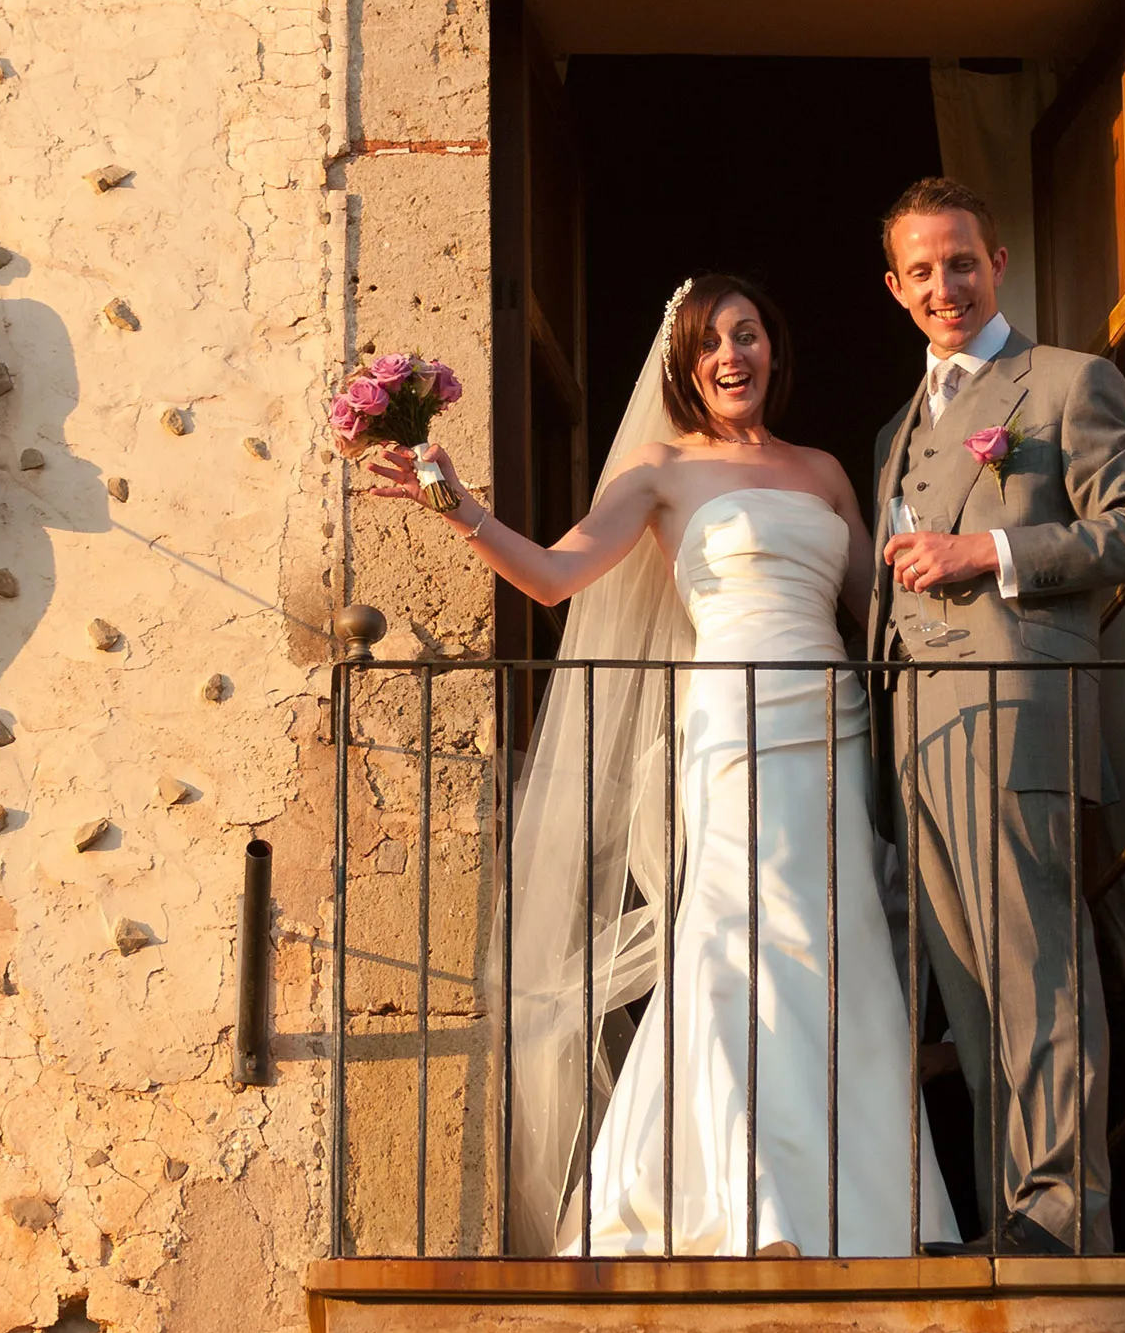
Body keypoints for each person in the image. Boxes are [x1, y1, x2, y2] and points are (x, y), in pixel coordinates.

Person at [368, 274, 957, 1258]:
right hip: (731, 723)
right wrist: (456, 506)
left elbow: (880, 610)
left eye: (750, 334)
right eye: (713, 341)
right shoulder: (659, 471)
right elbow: (556, 575)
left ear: (774, 349)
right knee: (738, 940)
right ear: (684, 363)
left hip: (833, 719)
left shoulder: (822, 472)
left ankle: (867, 1209)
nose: (734, 356)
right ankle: (751, 1201)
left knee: (837, 941)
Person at [867, 177, 1125, 1256]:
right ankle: (1010, 1216)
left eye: (962, 262)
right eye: (922, 270)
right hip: (918, 733)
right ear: (896, 288)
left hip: (1019, 711)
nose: (944, 285)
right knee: (970, 984)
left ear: (997, 263)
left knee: (1036, 969)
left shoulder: (1066, 382)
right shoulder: (893, 431)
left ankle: (1063, 1219)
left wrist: (989, 551)